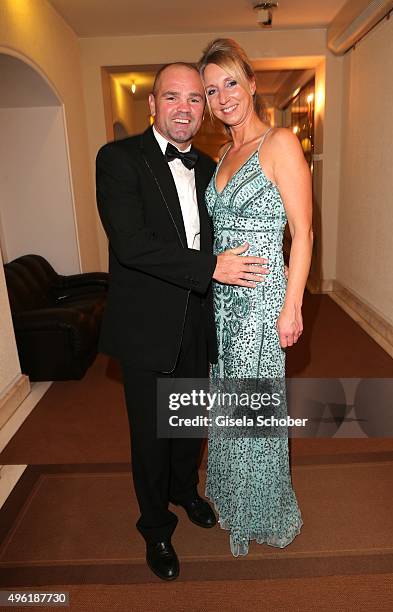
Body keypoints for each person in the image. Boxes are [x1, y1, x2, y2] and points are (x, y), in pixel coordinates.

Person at [95, 62, 269, 580]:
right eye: (173, 98)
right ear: (152, 105)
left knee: (190, 425)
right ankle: (155, 527)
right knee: (150, 436)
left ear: (205, 110)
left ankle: (184, 492)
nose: (185, 109)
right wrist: (212, 266)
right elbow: (132, 245)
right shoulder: (119, 159)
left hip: (200, 319)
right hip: (147, 324)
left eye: (196, 99)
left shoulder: (212, 164)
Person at [197, 39, 313, 556]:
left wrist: (293, 305)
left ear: (251, 82)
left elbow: (304, 232)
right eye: (211, 89)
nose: (222, 96)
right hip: (221, 304)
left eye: (229, 82)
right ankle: (233, 495)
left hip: (260, 303)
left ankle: (261, 508)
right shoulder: (222, 152)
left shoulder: (280, 142)